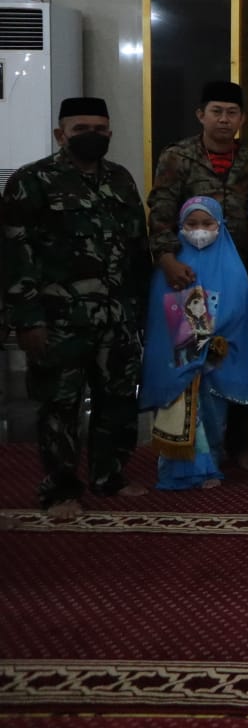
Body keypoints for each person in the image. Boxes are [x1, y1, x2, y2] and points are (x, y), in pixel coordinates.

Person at [1, 97, 151, 520]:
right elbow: (15, 253)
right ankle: (59, 489)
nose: (92, 135)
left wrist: (143, 311)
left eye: (100, 128)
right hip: (58, 320)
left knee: (117, 400)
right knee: (59, 407)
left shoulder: (120, 180)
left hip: (117, 316)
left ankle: (110, 476)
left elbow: (138, 249)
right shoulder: (32, 181)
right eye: (81, 127)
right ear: (60, 134)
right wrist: (26, 319)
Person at [146, 80, 248, 469]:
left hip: (238, 277)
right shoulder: (177, 157)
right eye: (217, 111)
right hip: (189, 279)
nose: (224, 120)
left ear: (242, 118)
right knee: (191, 356)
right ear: (201, 115)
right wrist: (165, 259)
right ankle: (192, 446)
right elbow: (161, 209)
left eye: (232, 113)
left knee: (235, 354)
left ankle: (239, 443)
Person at [139, 197, 248, 491]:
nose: (200, 230)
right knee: (178, 404)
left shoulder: (232, 265)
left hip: (215, 354)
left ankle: (209, 464)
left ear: (221, 225)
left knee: (212, 411)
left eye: (207, 224)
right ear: (181, 226)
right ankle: (176, 468)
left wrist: (209, 339)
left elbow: (238, 309)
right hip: (179, 355)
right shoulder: (173, 267)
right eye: (192, 224)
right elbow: (159, 309)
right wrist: (191, 340)